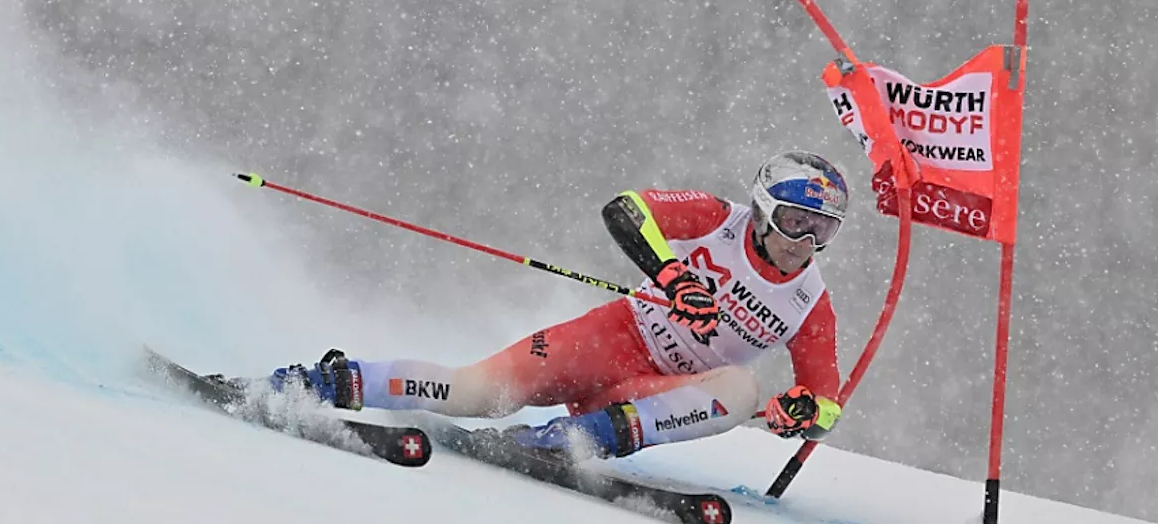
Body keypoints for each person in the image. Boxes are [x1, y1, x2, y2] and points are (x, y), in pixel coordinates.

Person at [225, 151, 849, 460]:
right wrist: (671, 274)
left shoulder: (808, 301)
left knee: (740, 385)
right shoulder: (718, 219)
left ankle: (572, 440)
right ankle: (322, 382)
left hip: (649, 396)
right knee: (479, 393)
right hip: (612, 337)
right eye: (794, 220)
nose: (803, 242)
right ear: (765, 209)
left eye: (822, 230)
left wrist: (800, 412)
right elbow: (626, 208)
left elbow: (825, 400)